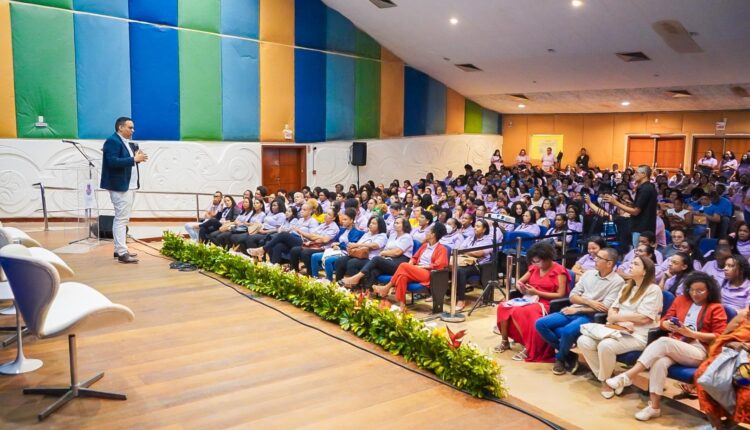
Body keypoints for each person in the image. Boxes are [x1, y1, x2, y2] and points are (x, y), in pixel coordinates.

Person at [605, 272, 727, 421]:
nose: (695, 294)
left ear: (709, 291)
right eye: (692, 290)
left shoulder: (716, 308)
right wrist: (667, 324)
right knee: (659, 362)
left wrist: (691, 333)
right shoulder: (681, 300)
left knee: (664, 342)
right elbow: (663, 321)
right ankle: (654, 407)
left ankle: (629, 375)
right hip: (677, 344)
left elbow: (720, 336)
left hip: (698, 349)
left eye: (700, 291)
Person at [577, 256, 663, 399]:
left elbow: (644, 318)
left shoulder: (653, 290)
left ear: (645, 271)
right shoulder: (626, 286)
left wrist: (617, 318)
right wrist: (618, 320)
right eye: (632, 263)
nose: (630, 265)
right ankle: (609, 379)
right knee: (583, 341)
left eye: (636, 264)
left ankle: (606, 383)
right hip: (618, 328)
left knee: (606, 345)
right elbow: (612, 310)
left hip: (639, 335)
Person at [536, 247, 624, 375]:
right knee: (540, 324)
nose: (595, 259)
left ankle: (560, 359)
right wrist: (590, 302)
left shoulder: (618, 282)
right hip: (575, 309)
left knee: (567, 331)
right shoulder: (589, 274)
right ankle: (569, 355)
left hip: (591, 316)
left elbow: (604, 307)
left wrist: (579, 309)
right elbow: (573, 296)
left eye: (599, 258)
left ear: (609, 263)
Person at [495, 242, 569, 362]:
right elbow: (519, 282)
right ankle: (505, 341)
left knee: (522, 311)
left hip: (546, 302)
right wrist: (521, 288)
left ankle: (528, 347)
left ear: (547, 258)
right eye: (533, 261)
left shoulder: (560, 271)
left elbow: (560, 294)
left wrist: (537, 292)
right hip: (529, 298)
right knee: (503, 306)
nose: (535, 264)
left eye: (538, 261)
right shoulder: (534, 268)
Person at [100, 117, 148, 264]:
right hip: (119, 186)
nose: (133, 130)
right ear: (120, 128)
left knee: (123, 219)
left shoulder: (127, 142)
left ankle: (119, 249)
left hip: (129, 185)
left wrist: (137, 157)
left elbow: (127, 161)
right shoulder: (112, 141)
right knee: (121, 219)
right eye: (130, 127)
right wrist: (134, 159)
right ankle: (122, 252)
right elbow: (112, 162)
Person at [694, 308, 750, 429]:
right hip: (729, 354)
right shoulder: (743, 315)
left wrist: (745, 345)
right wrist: (732, 343)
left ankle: (728, 426)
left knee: (746, 393)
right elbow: (724, 337)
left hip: (746, 363)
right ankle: (718, 426)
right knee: (703, 376)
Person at [374, 222, 449, 311]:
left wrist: (420, 267)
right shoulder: (425, 246)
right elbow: (414, 258)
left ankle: (387, 287)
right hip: (417, 271)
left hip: (429, 274)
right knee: (402, 277)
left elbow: (439, 265)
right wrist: (410, 265)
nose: (426, 233)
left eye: (428, 231)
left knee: (403, 265)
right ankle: (402, 306)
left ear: (433, 235)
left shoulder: (442, 249)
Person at [602, 165, 657, 248]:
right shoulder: (648, 187)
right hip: (646, 227)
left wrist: (615, 202)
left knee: (639, 252)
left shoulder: (645, 189)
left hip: (641, 228)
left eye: (637, 173)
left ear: (644, 174)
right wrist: (632, 204)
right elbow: (643, 208)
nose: (634, 175)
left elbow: (635, 212)